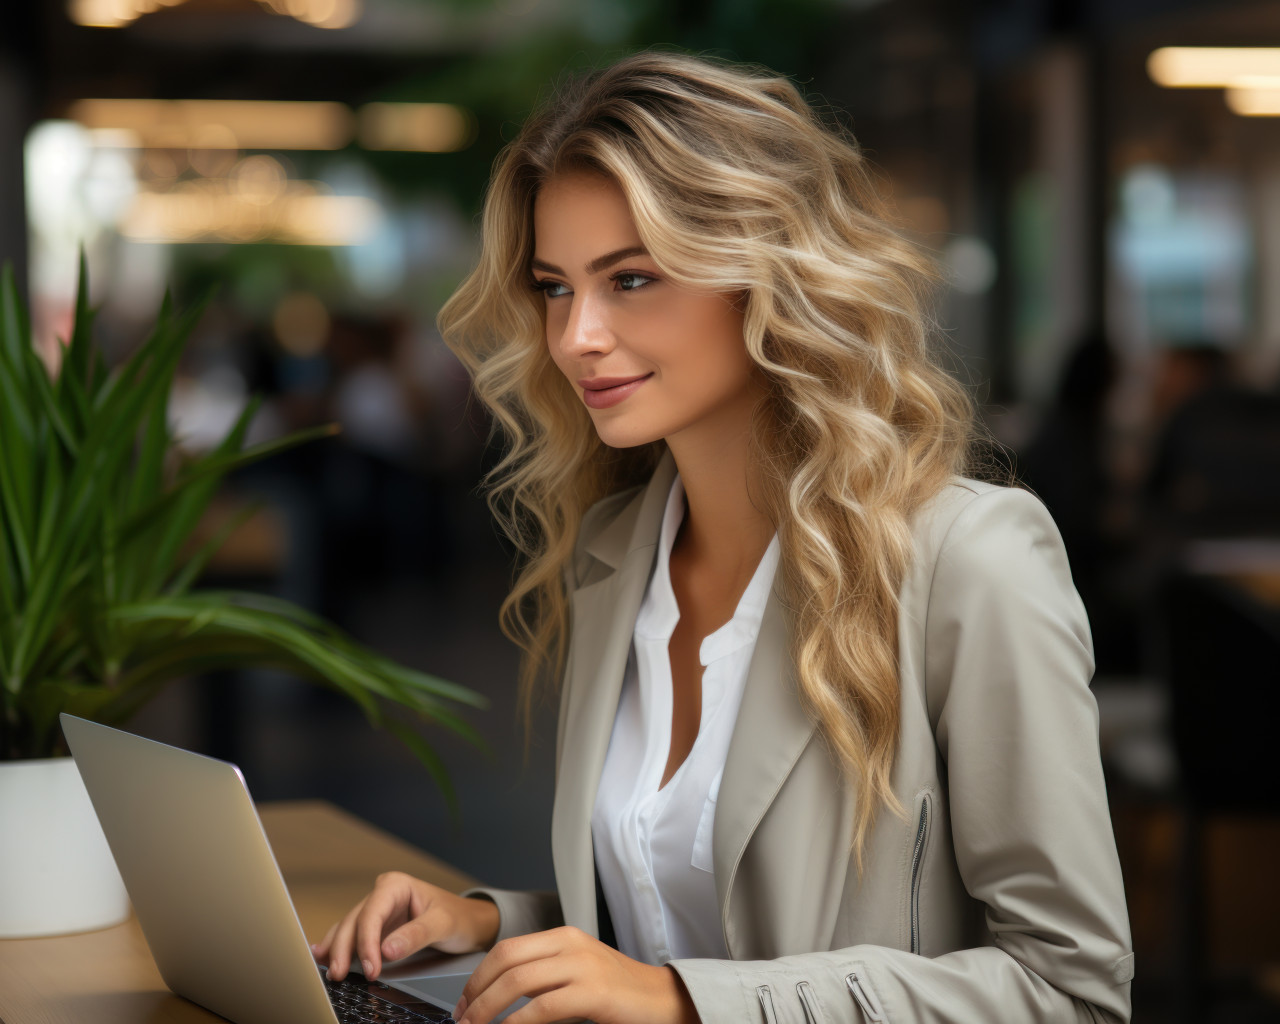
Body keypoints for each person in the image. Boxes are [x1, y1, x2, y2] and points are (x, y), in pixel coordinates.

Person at [311, 52, 1134, 1024]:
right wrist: (496, 925)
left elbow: (1069, 988)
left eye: (629, 278)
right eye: (554, 287)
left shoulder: (969, 562)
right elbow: (692, 916)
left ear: (765, 277)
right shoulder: (613, 554)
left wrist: (682, 1003)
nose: (574, 335)